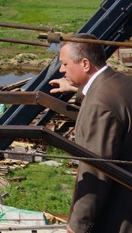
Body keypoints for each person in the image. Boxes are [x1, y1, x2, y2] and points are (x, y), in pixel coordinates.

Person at [55, 34, 132, 233]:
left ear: (86, 64)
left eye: (65, 64)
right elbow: (100, 92)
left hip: (119, 213)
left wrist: (79, 226)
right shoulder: (120, 82)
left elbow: (96, 170)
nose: (62, 70)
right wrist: (77, 87)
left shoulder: (100, 104)